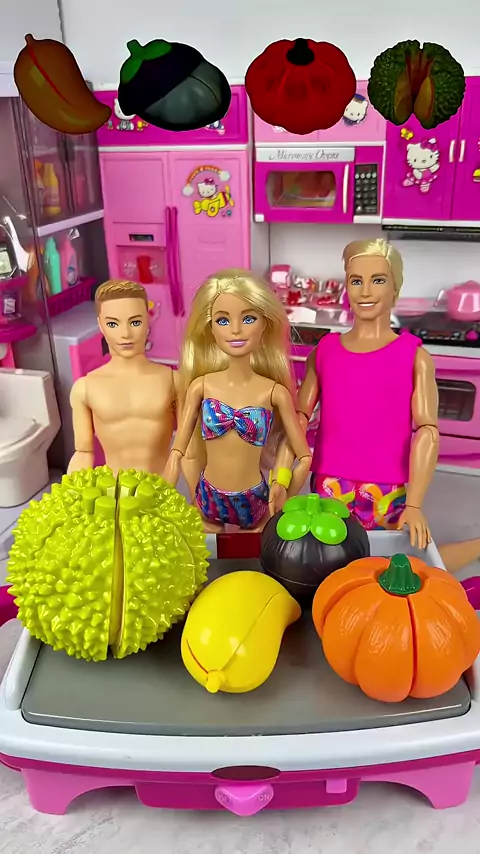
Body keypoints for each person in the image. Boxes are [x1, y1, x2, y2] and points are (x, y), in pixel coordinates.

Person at [273, 238, 480, 573]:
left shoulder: (414, 357)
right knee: (325, 566)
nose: (366, 291)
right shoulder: (325, 351)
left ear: (395, 287)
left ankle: (474, 547)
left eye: (378, 280)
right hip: (328, 487)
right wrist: (282, 480)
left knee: (399, 569)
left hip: (386, 490)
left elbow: (427, 431)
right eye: (356, 281)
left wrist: (415, 504)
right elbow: (297, 420)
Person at [163, 268, 311, 532]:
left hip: (254, 502)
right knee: (210, 554)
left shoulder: (274, 393)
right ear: (210, 328)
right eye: (222, 320)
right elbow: (179, 451)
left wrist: (282, 487)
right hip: (207, 497)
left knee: (251, 555)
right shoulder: (201, 387)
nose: (235, 330)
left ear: (265, 324)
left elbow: (304, 456)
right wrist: (165, 491)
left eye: (248, 318)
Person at [67, 279, 179, 477]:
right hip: (114, 490)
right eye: (113, 324)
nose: (125, 333)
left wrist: (171, 489)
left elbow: (187, 449)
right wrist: (70, 493)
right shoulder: (85, 388)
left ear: (148, 319)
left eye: (135, 322)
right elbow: (83, 453)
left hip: (163, 487)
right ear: (101, 325)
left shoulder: (172, 381)